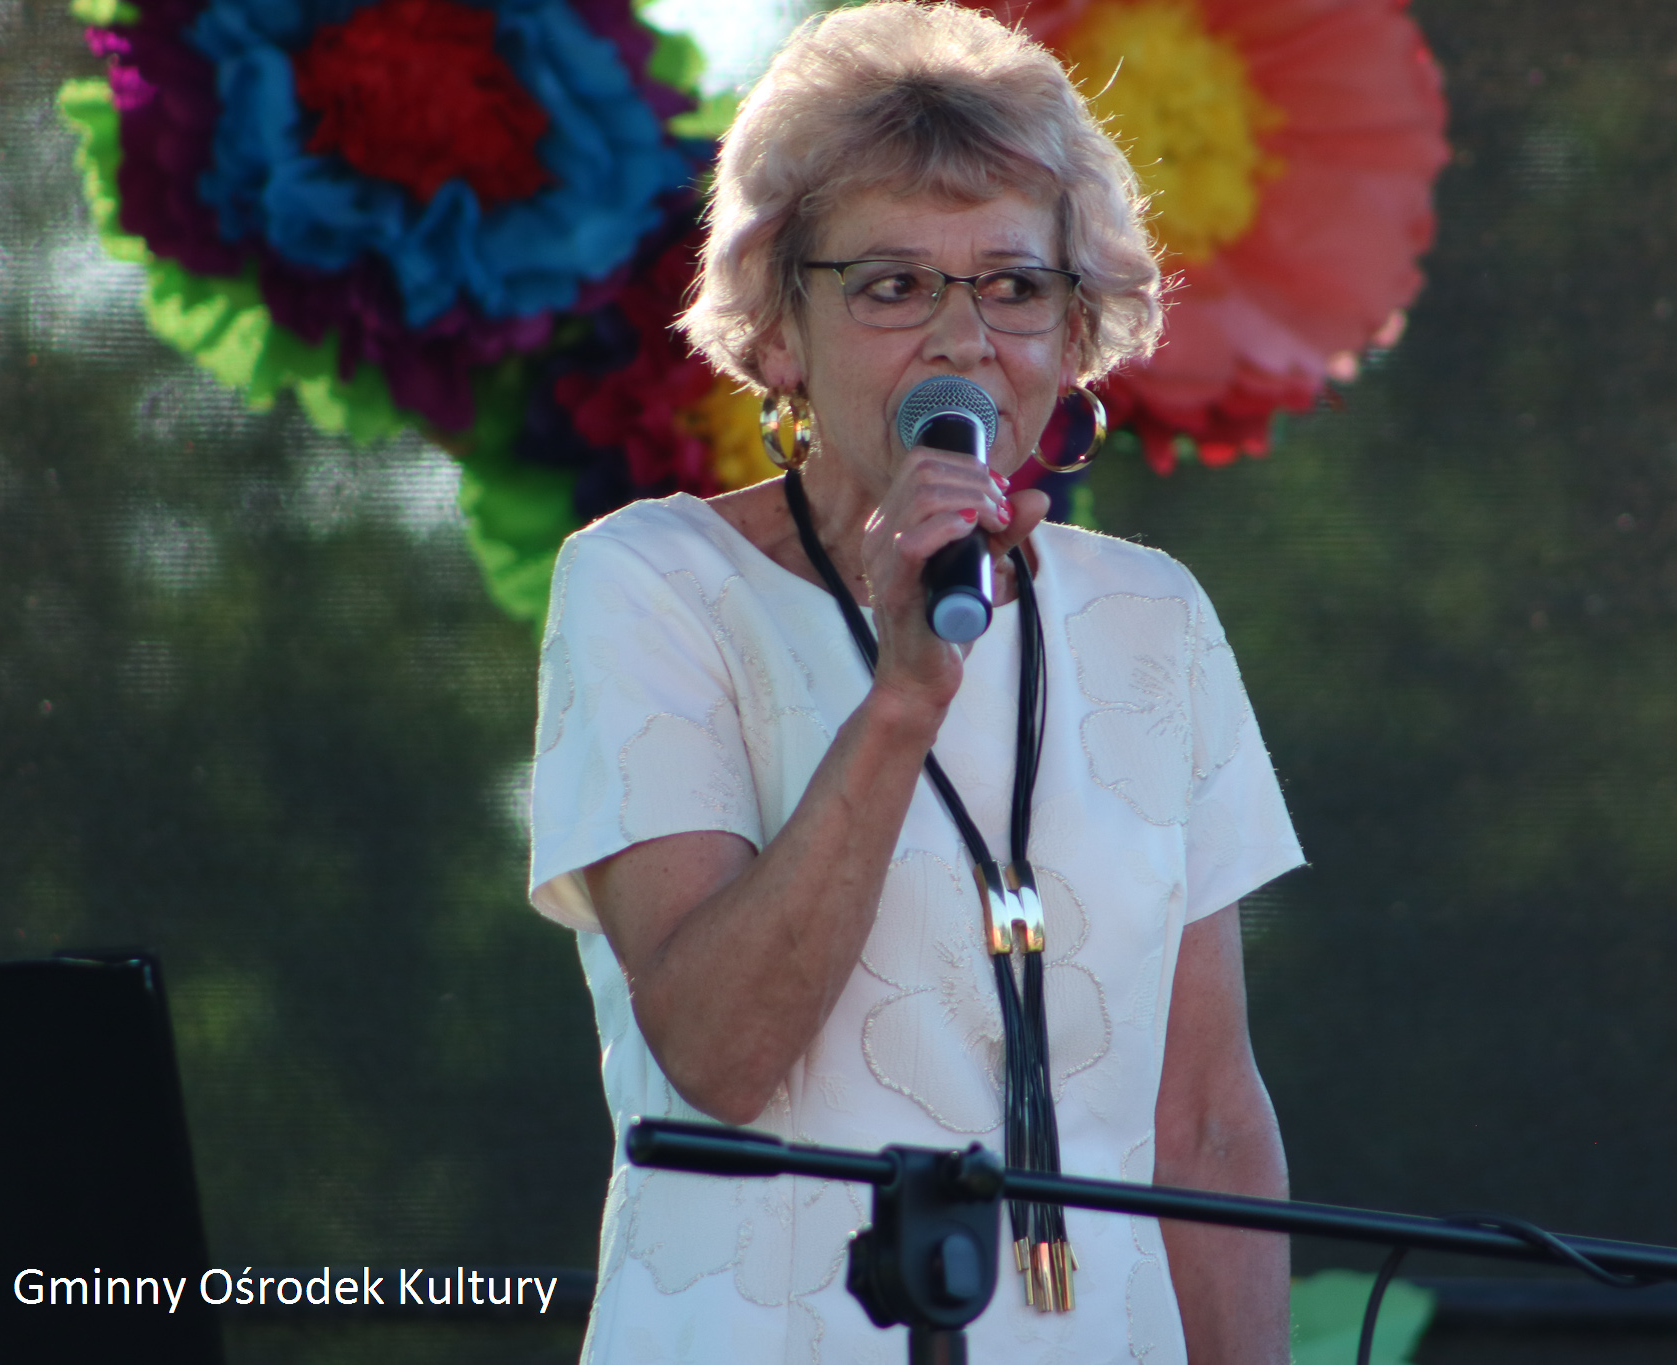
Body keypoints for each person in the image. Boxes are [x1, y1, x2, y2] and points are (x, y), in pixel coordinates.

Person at [528, 4, 1303, 1361]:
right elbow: (719, 1053)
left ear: (1076, 330)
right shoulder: (648, 584)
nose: (962, 338)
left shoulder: (1153, 618)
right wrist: (901, 696)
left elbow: (1208, 1121)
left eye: (1014, 286)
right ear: (779, 333)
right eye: (893, 286)